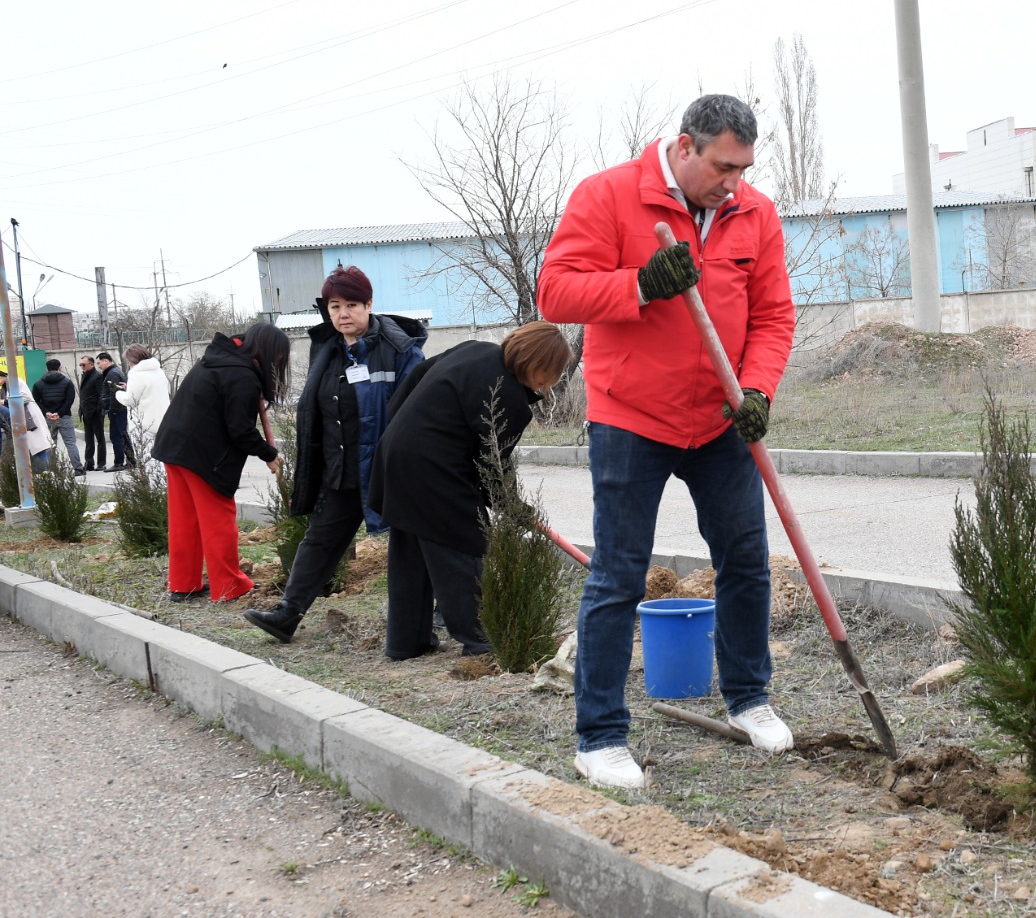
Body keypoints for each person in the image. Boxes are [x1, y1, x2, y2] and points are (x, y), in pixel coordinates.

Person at [538, 93, 797, 788]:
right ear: (685, 146)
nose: (733, 183)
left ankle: (749, 697)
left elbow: (774, 316)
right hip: (632, 417)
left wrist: (757, 390)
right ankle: (599, 737)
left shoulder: (755, 214)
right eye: (722, 167)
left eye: (743, 169)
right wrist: (640, 285)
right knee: (618, 572)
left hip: (720, 417)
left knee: (746, 560)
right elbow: (555, 292)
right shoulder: (610, 195)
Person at [368, 321, 573, 660]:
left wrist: (404, 427)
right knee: (462, 545)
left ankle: (406, 642)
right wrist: (516, 509)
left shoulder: (475, 350)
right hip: (434, 469)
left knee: (411, 552)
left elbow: (417, 376)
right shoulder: (509, 398)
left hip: (395, 452)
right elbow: (493, 470)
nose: (549, 384)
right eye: (551, 374)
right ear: (538, 364)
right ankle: (481, 639)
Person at [244, 265, 426, 643]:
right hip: (341, 469)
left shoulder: (400, 350)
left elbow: (417, 412)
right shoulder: (326, 349)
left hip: (388, 470)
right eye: (335, 306)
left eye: (352, 305)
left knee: (417, 543)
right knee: (319, 541)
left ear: (369, 305)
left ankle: (437, 617)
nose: (343, 314)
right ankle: (287, 614)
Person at [151, 325, 289, 603]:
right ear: (269, 353)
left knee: (185, 521)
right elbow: (241, 431)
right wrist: (269, 454)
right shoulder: (242, 376)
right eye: (279, 357)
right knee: (218, 522)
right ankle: (229, 586)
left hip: (175, 447)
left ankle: (183, 584)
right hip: (204, 457)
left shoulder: (217, 359)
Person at [115, 344, 171, 463]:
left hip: (143, 424)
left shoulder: (136, 375)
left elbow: (130, 400)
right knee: (161, 460)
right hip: (162, 421)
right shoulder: (159, 371)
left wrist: (118, 393)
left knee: (147, 461)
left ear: (132, 359)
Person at [31, 358, 85, 477]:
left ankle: (53, 470)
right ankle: (78, 469)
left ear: (47, 369)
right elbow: (70, 400)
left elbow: (36, 401)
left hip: (47, 419)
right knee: (71, 443)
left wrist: (46, 413)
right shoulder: (67, 382)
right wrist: (59, 413)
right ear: (59, 368)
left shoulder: (38, 383)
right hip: (64, 417)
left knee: (50, 444)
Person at [1, 368, 53, 475]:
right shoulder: (6, 386)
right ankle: (37, 474)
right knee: (30, 449)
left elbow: (25, 398)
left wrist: (5, 401)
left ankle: (45, 474)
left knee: (38, 447)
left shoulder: (14, 381)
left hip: (29, 417)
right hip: (22, 419)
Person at [96, 352, 129, 471]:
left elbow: (114, 393)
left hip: (117, 410)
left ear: (106, 361)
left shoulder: (112, 374)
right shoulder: (114, 372)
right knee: (122, 435)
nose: (98, 366)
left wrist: (112, 410)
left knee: (116, 436)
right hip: (119, 409)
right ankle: (131, 461)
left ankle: (119, 463)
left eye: (99, 363)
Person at [78, 355, 106, 472]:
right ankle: (89, 463)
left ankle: (101, 463)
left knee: (100, 438)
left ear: (91, 364)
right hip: (86, 412)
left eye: (83, 364)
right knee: (88, 439)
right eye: (80, 365)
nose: (82, 367)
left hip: (95, 412)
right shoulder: (85, 375)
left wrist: (98, 409)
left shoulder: (97, 376)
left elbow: (101, 395)